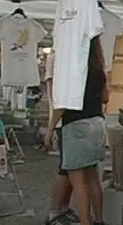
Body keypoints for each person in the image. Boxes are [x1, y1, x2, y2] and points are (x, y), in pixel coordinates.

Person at [46, 37, 108, 225]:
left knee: (77, 180)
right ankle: (99, 220)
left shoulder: (71, 70)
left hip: (76, 124)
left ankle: (84, 222)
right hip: (97, 123)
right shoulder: (99, 70)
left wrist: (50, 129)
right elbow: (105, 97)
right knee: (93, 179)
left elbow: (62, 104)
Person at [44, 51, 80, 225]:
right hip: (62, 121)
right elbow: (54, 94)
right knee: (65, 167)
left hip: (73, 121)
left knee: (71, 168)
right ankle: (54, 211)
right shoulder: (56, 58)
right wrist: (52, 126)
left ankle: (64, 208)